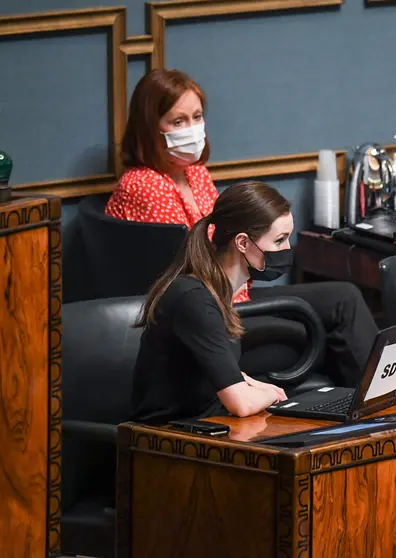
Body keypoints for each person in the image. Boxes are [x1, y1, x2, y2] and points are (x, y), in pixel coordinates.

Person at [106, 68, 376, 386]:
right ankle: (385, 412)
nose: (192, 129)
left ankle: (382, 403)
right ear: (150, 129)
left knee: (344, 298)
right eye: (178, 122)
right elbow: (186, 273)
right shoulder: (143, 185)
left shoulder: (195, 174)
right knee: (331, 327)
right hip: (210, 317)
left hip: (236, 297)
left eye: (196, 117)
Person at [132, 181, 297, 424]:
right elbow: (240, 403)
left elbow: (216, 370)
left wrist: (256, 388)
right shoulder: (194, 299)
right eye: (280, 240)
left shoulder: (215, 290)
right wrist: (270, 393)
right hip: (166, 440)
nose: (288, 248)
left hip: (209, 424)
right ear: (242, 243)